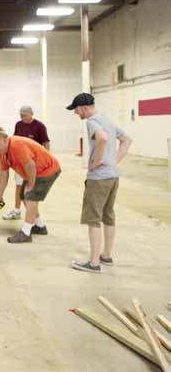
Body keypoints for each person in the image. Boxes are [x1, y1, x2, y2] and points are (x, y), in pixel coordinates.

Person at [67, 93, 132, 273]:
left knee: (93, 218)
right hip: (112, 176)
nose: (75, 113)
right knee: (108, 215)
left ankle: (94, 263)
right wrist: (114, 160)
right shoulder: (106, 119)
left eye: (76, 109)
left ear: (84, 107)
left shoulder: (92, 121)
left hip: (99, 178)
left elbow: (101, 138)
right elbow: (126, 139)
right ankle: (106, 255)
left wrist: (96, 162)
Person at [0, 131, 61, 243]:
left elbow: (30, 165)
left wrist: (31, 186)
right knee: (23, 196)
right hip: (34, 172)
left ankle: (26, 233)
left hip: (47, 170)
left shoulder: (16, 145)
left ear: (5, 140)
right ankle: (39, 226)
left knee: (30, 197)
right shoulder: (2, 153)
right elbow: (3, 174)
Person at [3, 106, 51, 221]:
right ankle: (17, 210)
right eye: (21, 115)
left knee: (30, 189)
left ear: (31, 114)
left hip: (33, 163)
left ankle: (34, 217)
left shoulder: (39, 126)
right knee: (19, 185)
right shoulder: (18, 124)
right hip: (20, 162)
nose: (22, 117)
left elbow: (46, 143)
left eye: (24, 115)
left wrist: (46, 158)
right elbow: (14, 139)